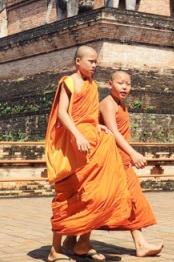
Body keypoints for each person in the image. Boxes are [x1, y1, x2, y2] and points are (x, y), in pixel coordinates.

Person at [45, 46, 132, 262]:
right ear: (78, 61)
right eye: (90, 61)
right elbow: (63, 113)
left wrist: (97, 127)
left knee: (94, 193)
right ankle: (55, 249)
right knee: (67, 194)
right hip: (74, 143)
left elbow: (91, 116)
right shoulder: (69, 82)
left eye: (96, 62)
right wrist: (78, 135)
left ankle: (83, 243)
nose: (94, 65)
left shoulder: (92, 86)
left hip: (92, 142)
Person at [96, 70, 164, 257]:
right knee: (106, 201)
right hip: (111, 161)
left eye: (128, 83)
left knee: (130, 199)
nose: (125, 87)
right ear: (110, 84)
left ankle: (141, 244)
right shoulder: (108, 104)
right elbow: (113, 132)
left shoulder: (121, 105)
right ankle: (74, 240)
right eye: (120, 83)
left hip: (121, 161)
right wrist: (133, 153)